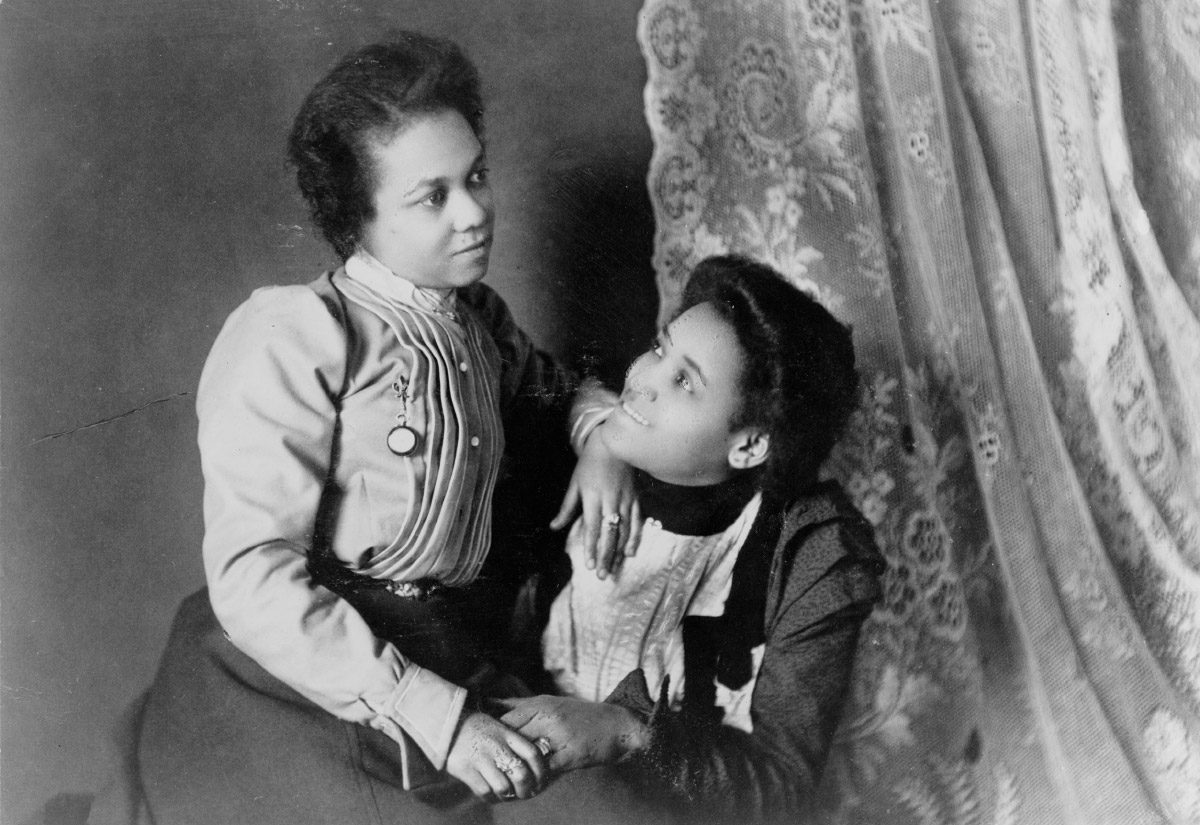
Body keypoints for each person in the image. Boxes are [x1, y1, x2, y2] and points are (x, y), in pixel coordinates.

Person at [87, 31, 631, 825]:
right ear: (358, 215)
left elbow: (556, 391)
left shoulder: (476, 318)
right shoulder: (298, 334)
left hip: (443, 644)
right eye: (432, 196)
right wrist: (438, 717)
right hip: (298, 677)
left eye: (476, 174)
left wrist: (606, 437)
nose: (476, 211)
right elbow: (255, 576)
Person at [495, 255, 886, 824]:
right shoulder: (614, 433)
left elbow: (782, 786)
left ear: (750, 447)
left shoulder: (811, 553)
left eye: (684, 381)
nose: (643, 382)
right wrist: (603, 443)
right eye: (658, 349)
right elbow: (559, 391)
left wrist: (628, 733)